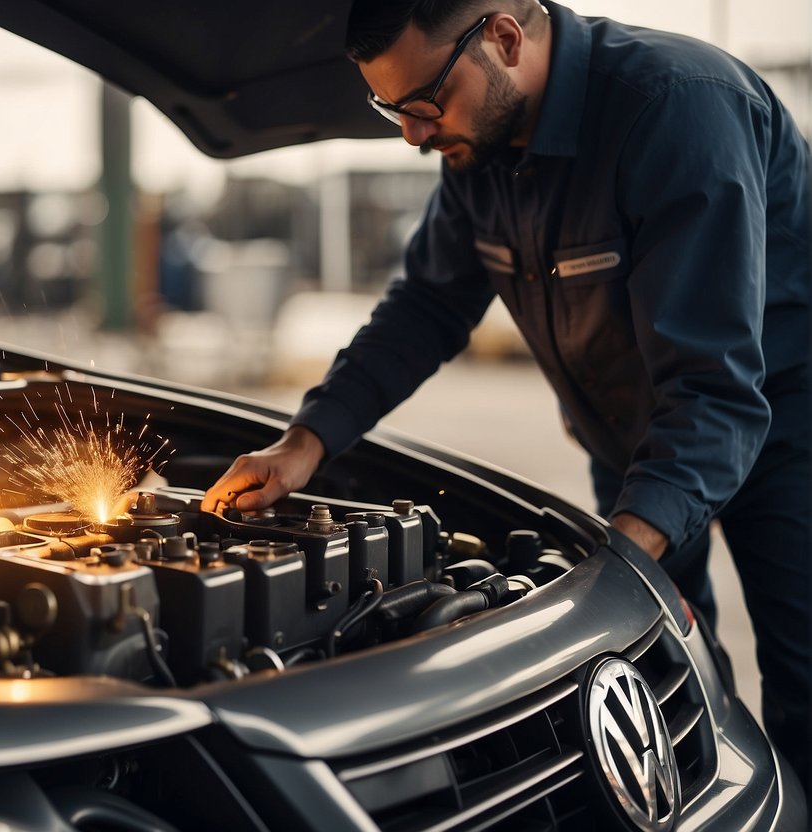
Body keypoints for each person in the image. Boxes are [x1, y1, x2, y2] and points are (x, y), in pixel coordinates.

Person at [202, 0, 810, 792]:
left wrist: (620, 560)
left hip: (782, 430)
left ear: (503, 37)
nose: (411, 136)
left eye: (422, 103)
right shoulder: (477, 146)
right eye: (389, 108)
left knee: (802, 681)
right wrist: (305, 442)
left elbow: (715, 390)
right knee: (675, 680)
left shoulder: (676, 109)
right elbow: (425, 307)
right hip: (628, 442)